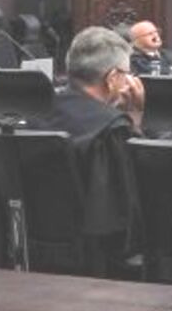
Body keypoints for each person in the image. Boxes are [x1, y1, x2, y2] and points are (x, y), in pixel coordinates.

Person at [46, 26, 143, 273]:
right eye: (127, 74)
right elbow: (125, 215)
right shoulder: (111, 130)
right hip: (96, 264)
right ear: (112, 78)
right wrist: (135, 118)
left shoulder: (41, 111)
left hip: (39, 249)